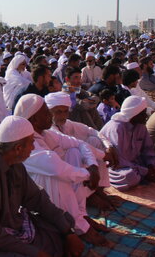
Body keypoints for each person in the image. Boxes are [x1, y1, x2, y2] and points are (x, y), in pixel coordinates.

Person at [0, 115, 85, 257]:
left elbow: (37, 198)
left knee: (65, 222)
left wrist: (68, 233)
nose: (33, 147)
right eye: (31, 143)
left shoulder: (14, 162)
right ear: (18, 148)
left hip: (10, 225)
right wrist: (36, 253)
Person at [14, 94, 107, 245]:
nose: (49, 116)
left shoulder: (47, 134)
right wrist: (88, 174)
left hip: (54, 186)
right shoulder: (25, 143)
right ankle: (78, 226)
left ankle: (81, 216)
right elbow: (57, 169)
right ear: (33, 119)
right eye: (46, 112)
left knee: (74, 153)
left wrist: (93, 166)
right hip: (27, 196)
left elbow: (80, 144)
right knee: (57, 176)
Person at [46, 92, 119, 210]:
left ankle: (97, 189)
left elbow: (92, 131)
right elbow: (77, 144)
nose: (63, 116)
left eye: (65, 111)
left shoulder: (67, 124)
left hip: (77, 167)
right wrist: (103, 156)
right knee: (74, 151)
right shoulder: (50, 129)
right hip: (59, 172)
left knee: (94, 140)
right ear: (49, 112)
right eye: (58, 112)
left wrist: (109, 146)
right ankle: (86, 197)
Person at [99, 96, 155, 190]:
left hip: (137, 163)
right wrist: (146, 172)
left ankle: (141, 175)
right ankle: (138, 176)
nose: (145, 116)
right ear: (134, 114)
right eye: (142, 114)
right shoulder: (117, 128)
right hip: (117, 166)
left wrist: (150, 166)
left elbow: (148, 149)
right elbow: (120, 161)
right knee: (130, 176)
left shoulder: (141, 127)